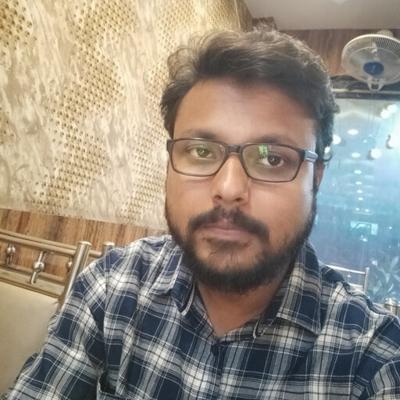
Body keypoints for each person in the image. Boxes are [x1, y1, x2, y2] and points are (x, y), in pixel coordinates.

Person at [7, 27, 400, 400]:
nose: (228, 189)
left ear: (316, 177)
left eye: (272, 158)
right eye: (200, 151)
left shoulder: (374, 360)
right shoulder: (111, 288)